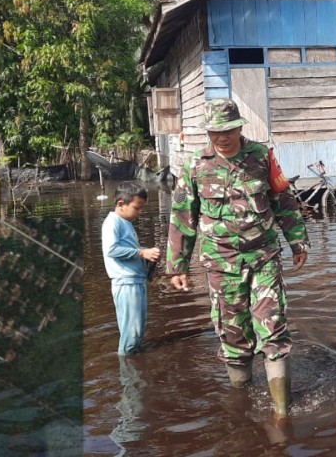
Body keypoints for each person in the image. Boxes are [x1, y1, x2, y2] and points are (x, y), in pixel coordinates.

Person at [166, 98, 309, 419]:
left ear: (240, 126)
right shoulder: (195, 165)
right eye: (215, 131)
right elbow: (182, 217)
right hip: (220, 264)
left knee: (272, 327)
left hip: (263, 258)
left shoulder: (261, 156)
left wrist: (298, 241)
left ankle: (281, 415)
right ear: (208, 132)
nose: (222, 137)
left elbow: (284, 200)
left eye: (228, 129)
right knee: (233, 335)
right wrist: (177, 265)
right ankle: (240, 408)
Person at [102, 181, 161, 355]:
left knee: (139, 328)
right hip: (125, 283)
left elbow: (128, 248)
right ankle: (127, 371)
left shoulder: (125, 222)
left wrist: (147, 252)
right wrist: (142, 253)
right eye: (137, 208)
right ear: (121, 204)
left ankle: (137, 363)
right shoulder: (112, 222)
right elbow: (111, 249)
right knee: (131, 332)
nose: (140, 213)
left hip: (136, 281)